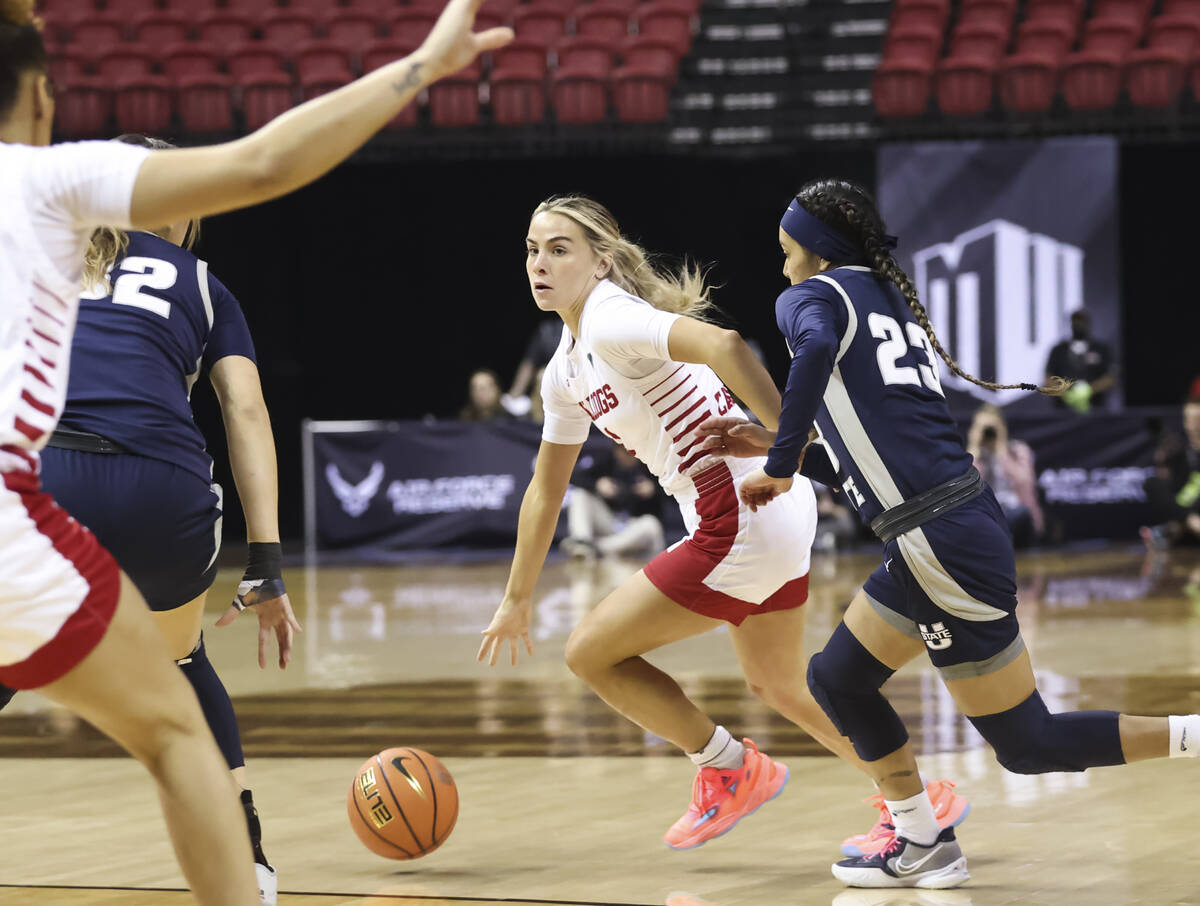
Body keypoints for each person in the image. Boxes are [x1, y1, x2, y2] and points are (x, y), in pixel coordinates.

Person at [0, 1, 511, 901]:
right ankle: (253, 871)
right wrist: (423, 67)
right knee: (174, 712)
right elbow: (267, 171)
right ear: (41, 99)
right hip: (140, 492)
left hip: (34, 487)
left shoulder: (71, 234)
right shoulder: (68, 190)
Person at [696, 179, 1200, 889]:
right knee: (839, 679)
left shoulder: (808, 299)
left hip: (937, 539)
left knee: (1029, 743)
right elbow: (868, 454)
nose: (782, 268)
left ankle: (930, 837)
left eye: (787, 253)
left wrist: (779, 463)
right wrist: (775, 441)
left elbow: (808, 353)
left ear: (815, 251)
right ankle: (922, 838)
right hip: (944, 529)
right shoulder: (884, 301)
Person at [477, 195, 968, 855]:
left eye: (559, 248)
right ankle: (918, 798)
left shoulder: (611, 320)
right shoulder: (565, 368)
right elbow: (546, 485)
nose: (540, 262)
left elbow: (725, 344)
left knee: (590, 652)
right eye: (532, 249)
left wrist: (787, 446)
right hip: (763, 515)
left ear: (600, 262)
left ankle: (727, 767)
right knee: (778, 685)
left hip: (738, 513)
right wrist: (515, 596)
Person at [18, 133, 293, 904]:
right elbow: (244, 409)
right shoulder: (204, 283)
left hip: (52, 476)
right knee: (180, 664)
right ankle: (251, 867)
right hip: (163, 491)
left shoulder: (39, 252)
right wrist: (266, 558)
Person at [561, 442, 667, 559]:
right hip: (609, 521)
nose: (629, 455)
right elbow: (574, 476)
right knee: (580, 495)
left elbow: (675, 496)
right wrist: (597, 484)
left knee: (651, 524)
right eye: (624, 451)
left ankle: (595, 547)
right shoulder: (607, 460)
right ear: (617, 451)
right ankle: (582, 541)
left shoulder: (649, 464)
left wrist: (655, 489)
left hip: (633, 527)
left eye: (632, 452)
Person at [966, 404, 1043, 548]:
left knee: (1022, 513)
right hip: (986, 517)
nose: (988, 433)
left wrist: (1001, 452)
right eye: (982, 428)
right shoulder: (971, 458)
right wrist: (974, 449)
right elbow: (968, 492)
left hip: (1016, 516)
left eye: (991, 428)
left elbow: (1026, 485)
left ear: (1003, 428)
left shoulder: (1018, 451)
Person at [1141, 378, 1200, 549]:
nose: (1193, 425)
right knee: (1152, 483)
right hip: (1187, 512)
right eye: (1189, 419)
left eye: (1197, 419)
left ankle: (1175, 531)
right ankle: (1186, 526)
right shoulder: (1178, 452)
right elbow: (1171, 491)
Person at [1044, 309, 1117, 413]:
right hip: (1063, 411)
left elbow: (1111, 377)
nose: (1079, 325)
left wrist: (1090, 390)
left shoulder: (1101, 349)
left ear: (1089, 323)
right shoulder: (1058, 350)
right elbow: (1048, 378)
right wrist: (1066, 393)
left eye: (1082, 321)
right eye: (1076, 321)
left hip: (1096, 409)